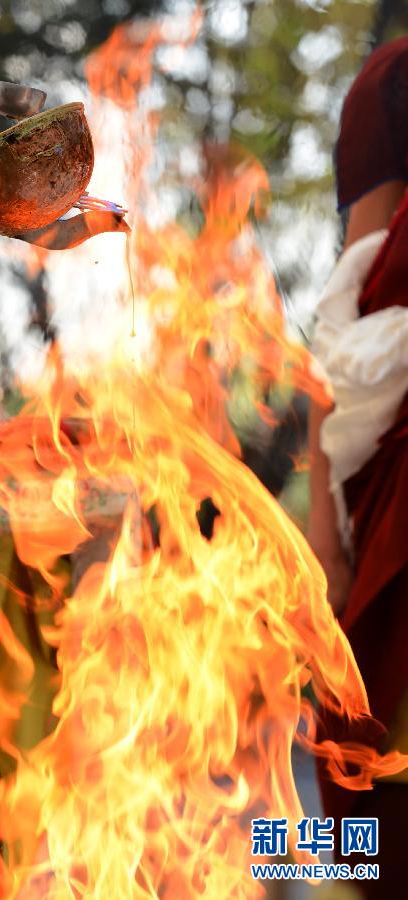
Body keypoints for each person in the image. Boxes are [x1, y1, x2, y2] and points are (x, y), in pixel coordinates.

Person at [308, 37, 408, 896]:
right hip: (393, 508)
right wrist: (323, 545)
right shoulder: (393, 80)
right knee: (354, 832)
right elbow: (345, 332)